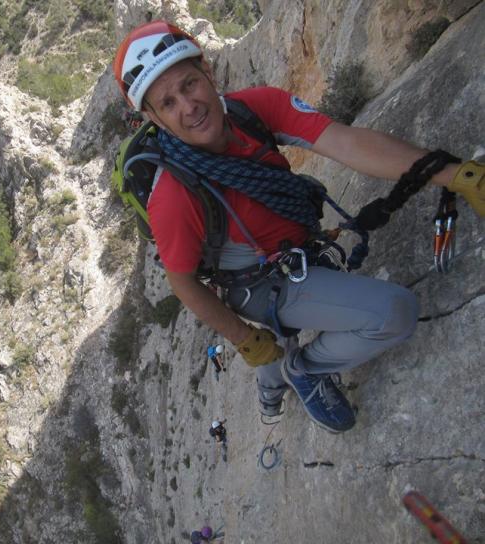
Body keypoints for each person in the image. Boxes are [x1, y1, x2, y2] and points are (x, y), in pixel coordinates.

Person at [113, 21, 484, 433]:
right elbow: (183, 283)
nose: (189, 106)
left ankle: (273, 386)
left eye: (189, 84)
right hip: (259, 284)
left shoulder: (253, 110)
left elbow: (345, 142)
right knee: (394, 312)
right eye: (168, 103)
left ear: (208, 71)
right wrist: (244, 339)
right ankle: (304, 370)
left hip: (293, 249)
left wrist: (454, 174)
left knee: (274, 346)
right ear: (153, 118)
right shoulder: (173, 197)